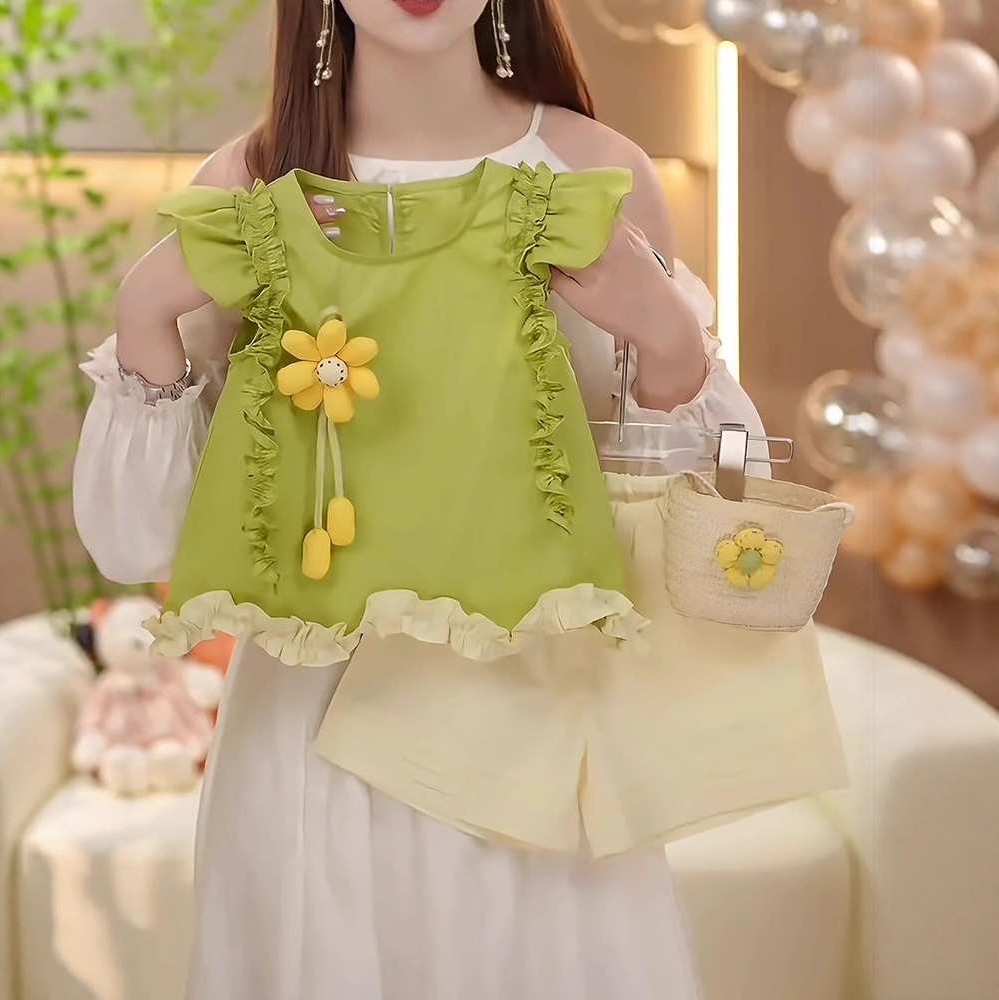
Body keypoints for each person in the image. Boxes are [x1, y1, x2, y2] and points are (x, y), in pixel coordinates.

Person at [73, 0, 774, 996]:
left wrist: (668, 340)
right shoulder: (249, 188)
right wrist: (144, 312)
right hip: (306, 748)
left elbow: (703, 528)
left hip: (538, 741)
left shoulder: (591, 175)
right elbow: (135, 539)